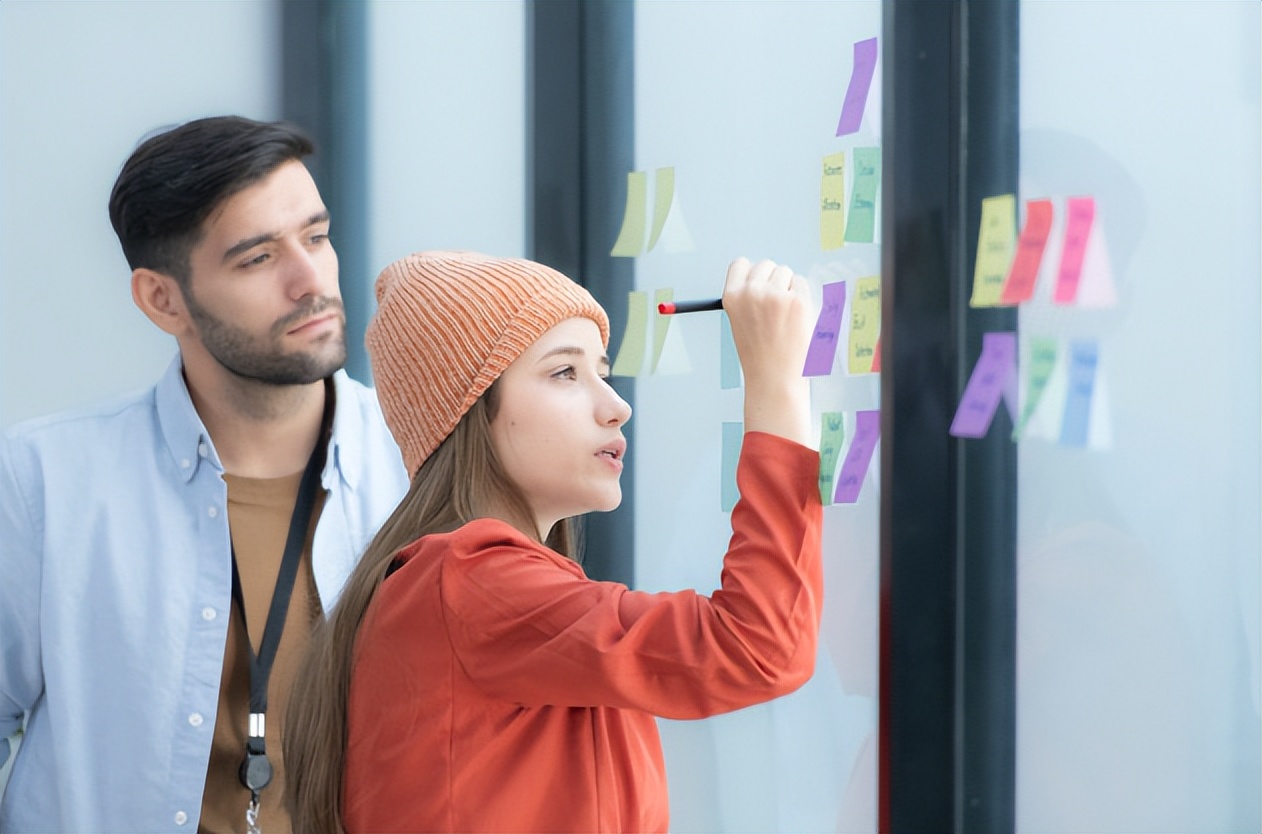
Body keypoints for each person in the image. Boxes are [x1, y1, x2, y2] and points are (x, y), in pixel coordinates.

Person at [283, 250, 824, 833]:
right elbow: (758, 645)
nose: (617, 407)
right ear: (469, 410)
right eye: (565, 373)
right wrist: (774, 383)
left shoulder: (475, 588)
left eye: (602, 373)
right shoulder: (473, 580)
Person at [0, 116, 410, 833]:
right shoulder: (42, 483)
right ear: (163, 300)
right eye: (258, 258)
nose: (310, 281)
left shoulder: (421, 468)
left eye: (316, 237)